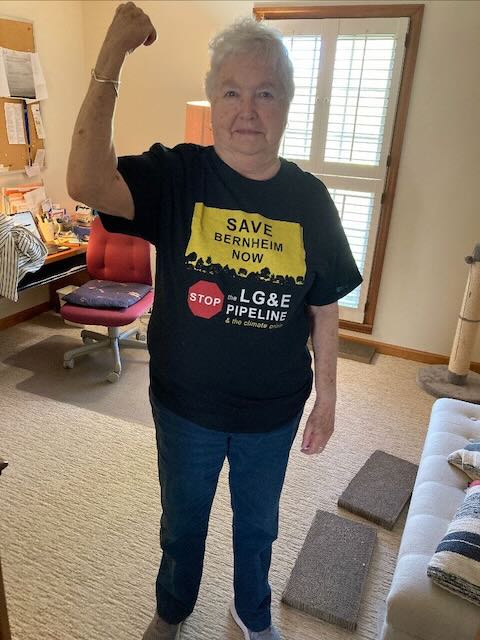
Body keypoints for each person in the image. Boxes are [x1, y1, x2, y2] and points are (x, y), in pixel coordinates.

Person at [67, 3, 362, 639]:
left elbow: (324, 301)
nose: (248, 110)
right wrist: (111, 54)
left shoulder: (308, 199)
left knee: (258, 527)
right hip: (187, 408)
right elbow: (85, 179)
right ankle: (173, 608)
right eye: (231, 91)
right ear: (212, 99)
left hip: (272, 410)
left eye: (266, 93)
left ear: (286, 105)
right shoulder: (178, 175)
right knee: (184, 522)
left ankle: (251, 613)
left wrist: (330, 398)